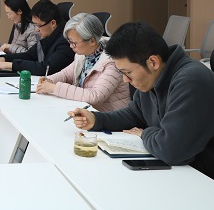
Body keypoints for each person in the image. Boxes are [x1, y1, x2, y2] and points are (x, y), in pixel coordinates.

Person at [68, 22, 214, 179]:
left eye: (128, 72)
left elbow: (171, 150)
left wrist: (145, 133)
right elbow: (135, 114)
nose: (125, 80)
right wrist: (96, 119)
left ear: (153, 62)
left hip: (201, 179)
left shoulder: (191, 80)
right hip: (177, 173)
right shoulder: (153, 77)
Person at [36, 13, 129, 111]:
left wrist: (55, 88)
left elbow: (95, 96)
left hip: (110, 116)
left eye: (74, 43)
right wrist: (50, 80)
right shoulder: (84, 55)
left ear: (92, 41)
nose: (70, 46)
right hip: (87, 111)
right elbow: (66, 74)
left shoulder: (113, 62)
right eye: (69, 41)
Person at [0, 0, 74, 75]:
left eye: (38, 26)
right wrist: (4, 58)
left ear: (53, 23)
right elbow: (29, 55)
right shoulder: (49, 35)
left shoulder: (66, 41)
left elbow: (47, 68)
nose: (36, 30)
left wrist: (13, 65)